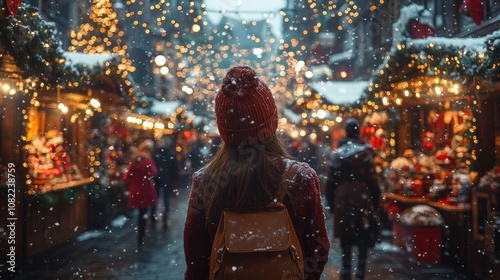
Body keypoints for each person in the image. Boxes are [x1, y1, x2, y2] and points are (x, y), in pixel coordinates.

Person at [183, 65, 330, 279]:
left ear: (224, 129)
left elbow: (196, 260)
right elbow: (319, 249)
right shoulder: (301, 177)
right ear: (272, 121)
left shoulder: (206, 181)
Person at [325, 118, 381, 280]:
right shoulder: (365, 153)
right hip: (362, 195)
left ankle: (345, 269)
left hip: (343, 196)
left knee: (346, 236)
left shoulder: (337, 155)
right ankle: (361, 270)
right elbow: (373, 180)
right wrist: (376, 199)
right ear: (358, 132)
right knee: (363, 233)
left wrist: (331, 202)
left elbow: (330, 182)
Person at [125, 139, 158, 247]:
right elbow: (154, 173)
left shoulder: (134, 160)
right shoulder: (148, 161)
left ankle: (140, 234)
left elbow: (128, 177)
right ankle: (141, 234)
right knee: (143, 212)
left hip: (136, 189)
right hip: (146, 190)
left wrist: (135, 182)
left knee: (140, 212)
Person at [150, 135, 179, 229]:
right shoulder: (170, 153)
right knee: (166, 197)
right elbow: (175, 168)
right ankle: (165, 215)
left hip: (157, 178)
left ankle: (152, 215)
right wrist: (174, 178)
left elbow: (151, 166)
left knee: (156, 197)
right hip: (167, 178)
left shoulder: (155, 153)